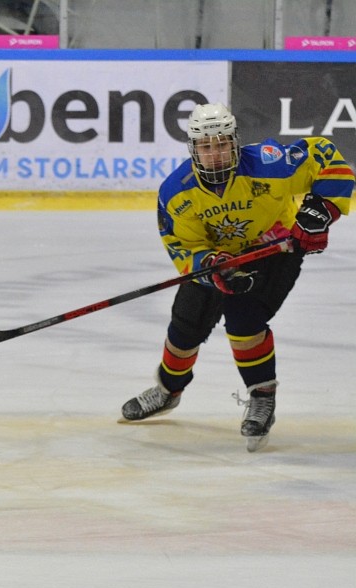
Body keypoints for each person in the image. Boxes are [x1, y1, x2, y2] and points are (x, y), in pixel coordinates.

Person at [121, 102, 353, 451]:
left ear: (235, 142)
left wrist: (321, 210)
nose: (215, 154)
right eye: (206, 146)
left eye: (222, 144)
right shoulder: (176, 193)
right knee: (185, 325)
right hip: (219, 260)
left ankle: (262, 397)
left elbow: (324, 155)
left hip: (273, 251)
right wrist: (211, 266)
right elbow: (182, 246)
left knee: (245, 321)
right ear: (193, 149)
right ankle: (168, 389)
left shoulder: (269, 164)